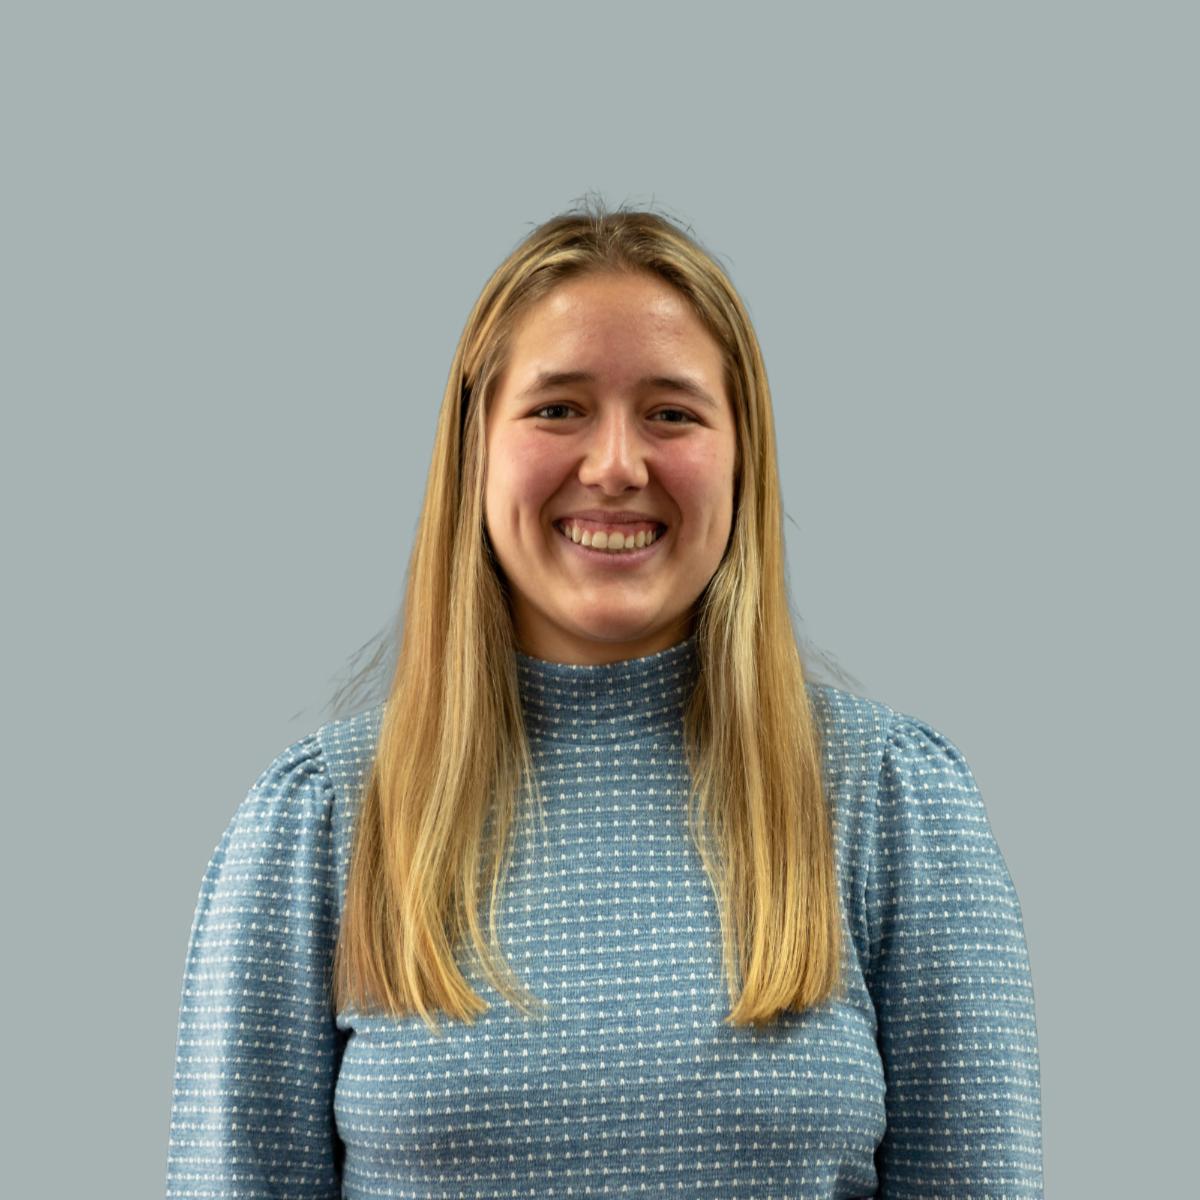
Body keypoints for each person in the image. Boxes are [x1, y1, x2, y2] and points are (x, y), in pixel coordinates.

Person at [165, 200, 1044, 1198]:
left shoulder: (892, 801)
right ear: (474, 448)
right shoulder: (321, 819)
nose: (617, 466)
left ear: (742, 456)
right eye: (558, 408)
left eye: (671, 413)